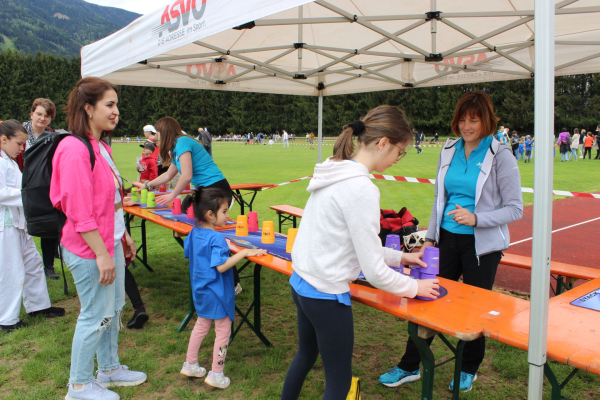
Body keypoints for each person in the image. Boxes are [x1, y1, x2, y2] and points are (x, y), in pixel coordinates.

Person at [281, 105, 440, 400]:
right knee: (338, 382)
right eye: (399, 151)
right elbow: (377, 274)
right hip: (325, 295)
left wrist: (401, 257)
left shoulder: (334, 170)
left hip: (302, 283)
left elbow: (352, 243)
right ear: (382, 144)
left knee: (304, 357)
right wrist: (416, 286)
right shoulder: (360, 188)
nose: (397, 159)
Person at [379, 90, 523, 393]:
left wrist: (476, 219)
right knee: (427, 299)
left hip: (482, 247)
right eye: (462, 119)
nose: (467, 126)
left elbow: (515, 208)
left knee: (474, 308)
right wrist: (429, 238)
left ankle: (468, 368)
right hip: (445, 240)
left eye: (474, 120)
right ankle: (410, 365)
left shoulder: (501, 154)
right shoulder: (449, 149)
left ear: (487, 121)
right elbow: (438, 199)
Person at [51, 77, 146, 400]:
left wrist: (124, 237)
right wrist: (102, 254)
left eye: (116, 104)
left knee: (114, 308)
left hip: (110, 242)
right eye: (109, 104)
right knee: (95, 314)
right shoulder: (74, 149)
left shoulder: (100, 147)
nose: (116, 111)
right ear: (88, 109)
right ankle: (78, 385)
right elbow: (79, 210)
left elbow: (110, 201)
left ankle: (108, 369)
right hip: (90, 249)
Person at [181, 187, 265, 389]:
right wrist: (244, 253)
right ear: (210, 214)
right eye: (225, 211)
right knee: (223, 332)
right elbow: (221, 266)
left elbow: (188, 252)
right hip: (217, 293)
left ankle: (190, 364)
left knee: (201, 326)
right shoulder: (216, 238)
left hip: (200, 291)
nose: (228, 216)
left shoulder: (194, 232)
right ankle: (216, 374)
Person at [0, 120, 65, 333]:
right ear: (3, 139)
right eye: (19, 144)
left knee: (33, 264)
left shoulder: (8, 160)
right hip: (6, 225)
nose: (21, 148)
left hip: (19, 223)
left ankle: (38, 306)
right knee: (12, 271)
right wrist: (29, 196)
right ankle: (6, 319)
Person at [133, 117, 232, 205]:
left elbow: (186, 176)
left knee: (193, 219)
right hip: (205, 189)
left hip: (216, 189)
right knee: (186, 214)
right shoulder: (177, 147)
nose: (156, 138)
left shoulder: (182, 143)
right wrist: (147, 185)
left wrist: (172, 195)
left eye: (158, 134)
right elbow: (168, 175)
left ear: (165, 133)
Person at [20, 98, 60, 280]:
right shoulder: (18, 132)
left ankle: (48, 266)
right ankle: (19, 265)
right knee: (19, 227)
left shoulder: (52, 136)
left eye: (47, 116)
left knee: (47, 225)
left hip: (43, 187)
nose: (42, 118)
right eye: (39, 114)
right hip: (18, 185)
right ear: (31, 114)